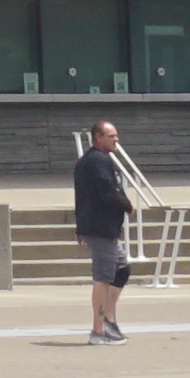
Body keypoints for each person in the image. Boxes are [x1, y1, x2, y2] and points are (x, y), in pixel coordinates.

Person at [72, 118, 134, 342]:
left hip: (100, 227)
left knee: (122, 269)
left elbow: (81, 198)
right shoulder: (97, 161)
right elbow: (107, 193)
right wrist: (127, 206)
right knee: (103, 277)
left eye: (116, 135)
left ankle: (108, 318)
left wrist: (80, 227)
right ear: (98, 137)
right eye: (111, 136)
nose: (116, 139)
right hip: (101, 229)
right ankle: (98, 330)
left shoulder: (90, 161)